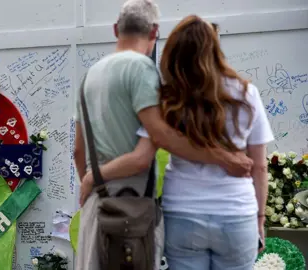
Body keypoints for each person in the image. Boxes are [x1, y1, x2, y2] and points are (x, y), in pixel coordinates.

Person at [73, 0, 254, 269]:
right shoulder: (141, 69)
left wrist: (92, 180)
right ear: (154, 32)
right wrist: (223, 158)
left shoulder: (89, 76)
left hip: (96, 208)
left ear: (115, 30)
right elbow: (160, 138)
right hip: (132, 213)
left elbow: (78, 150)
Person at [139, 15, 270, 269]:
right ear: (215, 48)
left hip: (183, 212)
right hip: (236, 212)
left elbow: (150, 144)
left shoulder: (167, 97)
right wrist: (260, 217)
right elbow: (260, 166)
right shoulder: (245, 93)